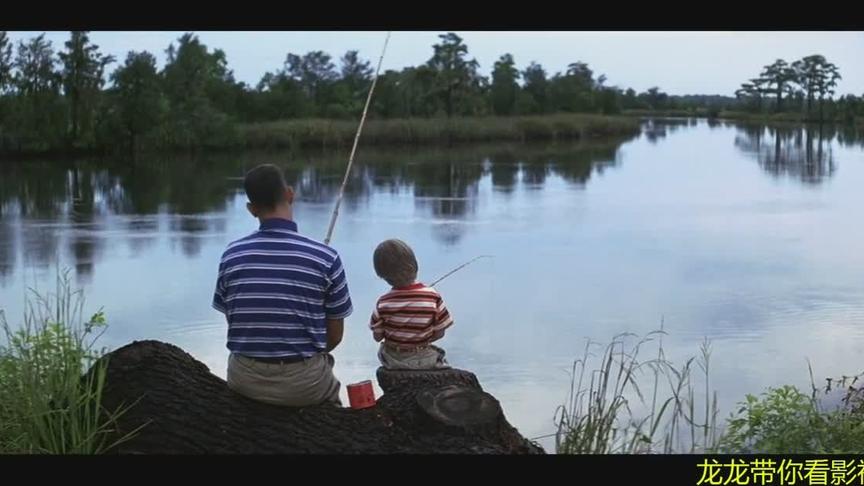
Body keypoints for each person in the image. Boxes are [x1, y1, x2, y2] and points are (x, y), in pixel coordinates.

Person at [212, 164, 353, 406]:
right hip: (303, 385)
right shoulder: (326, 257)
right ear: (290, 194)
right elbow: (335, 336)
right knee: (332, 397)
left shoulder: (231, 255)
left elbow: (235, 321)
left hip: (244, 380)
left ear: (251, 209)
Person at [369, 239, 453, 370]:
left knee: (383, 349)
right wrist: (422, 340)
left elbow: (377, 337)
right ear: (414, 266)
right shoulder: (433, 297)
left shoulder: (382, 303)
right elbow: (440, 333)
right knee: (440, 355)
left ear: (381, 274)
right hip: (424, 358)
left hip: (393, 360)